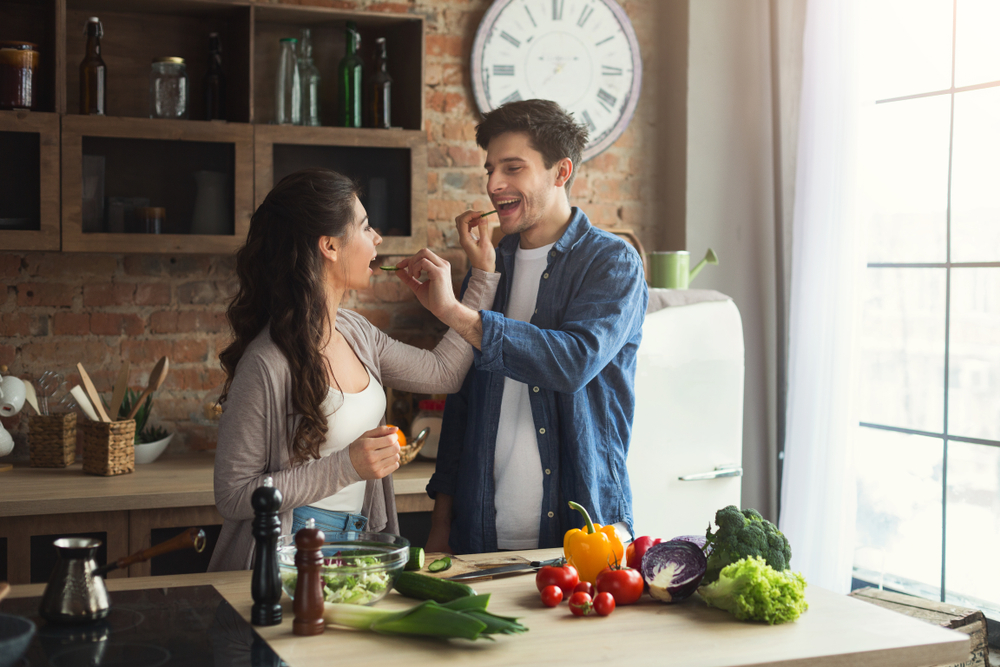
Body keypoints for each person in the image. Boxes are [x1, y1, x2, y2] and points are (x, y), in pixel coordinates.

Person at [208, 168, 498, 571]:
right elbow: (235, 494)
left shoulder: (355, 331)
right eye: (364, 227)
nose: (377, 238)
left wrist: (478, 278)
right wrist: (347, 467)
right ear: (329, 245)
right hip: (288, 555)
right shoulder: (267, 362)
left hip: (358, 546)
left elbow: (443, 373)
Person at [425, 99, 649, 554]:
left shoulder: (612, 262)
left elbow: (571, 362)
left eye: (512, 168)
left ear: (560, 172)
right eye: (489, 169)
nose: (493, 185)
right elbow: (462, 404)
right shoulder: (490, 269)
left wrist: (454, 311)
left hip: (583, 534)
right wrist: (442, 521)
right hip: (481, 533)